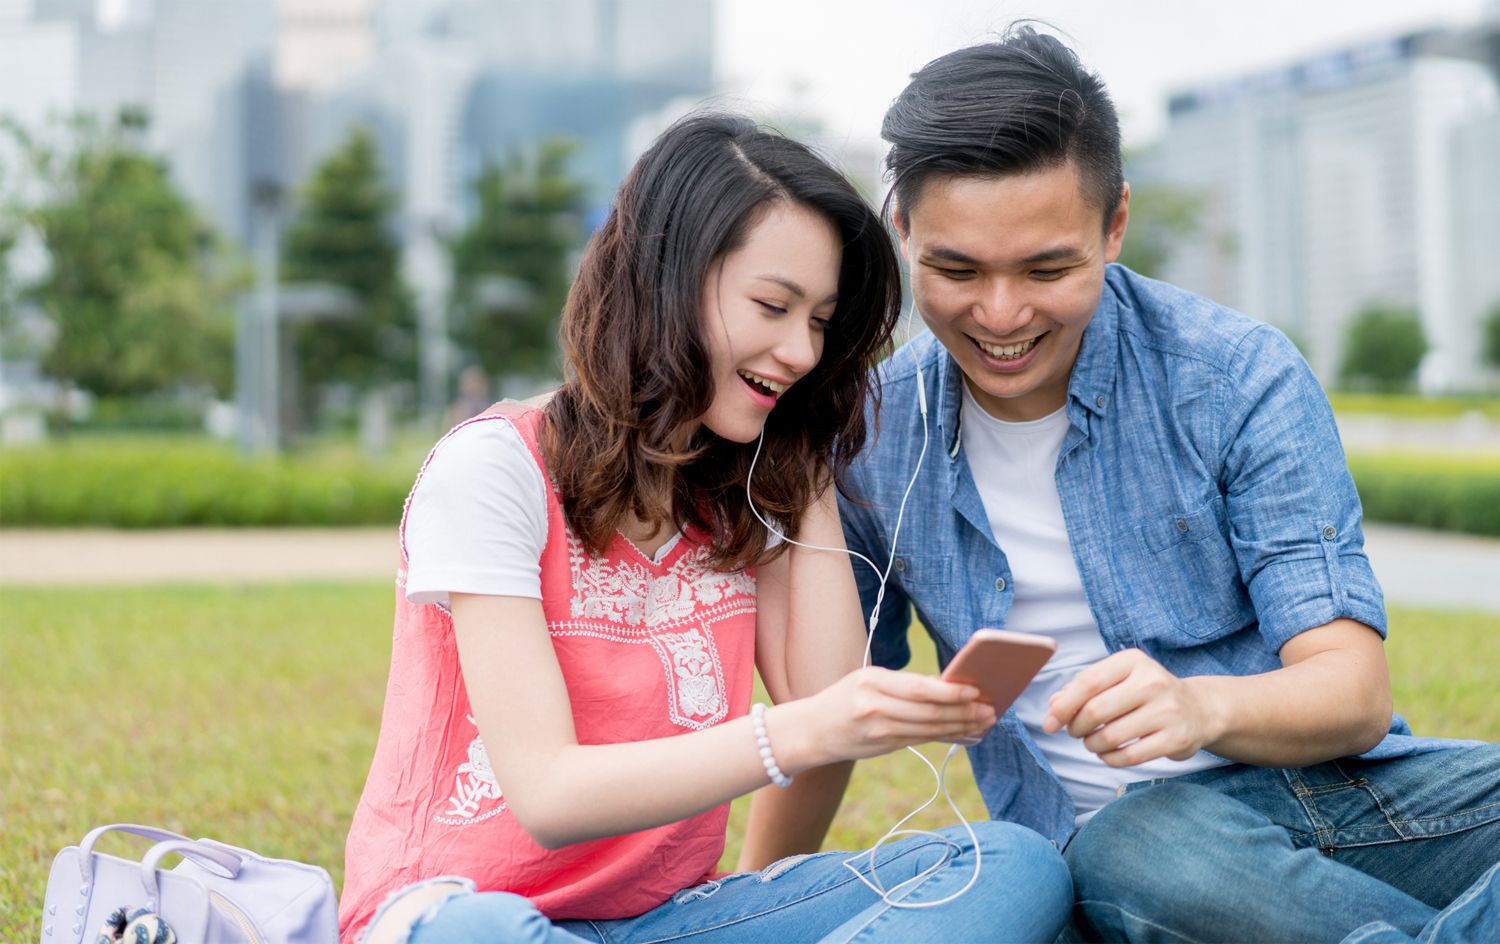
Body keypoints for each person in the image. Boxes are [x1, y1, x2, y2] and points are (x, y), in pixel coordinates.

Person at [751, 25, 1500, 944]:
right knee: (1141, 842)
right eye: (955, 269)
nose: (1000, 315)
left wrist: (1199, 708)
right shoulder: (870, 434)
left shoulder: (1234, 376)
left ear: (1114, 227)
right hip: (1120, 853)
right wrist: (755, 899)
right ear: (902, 230)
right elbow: (827, 714)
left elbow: (1352, 692)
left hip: (1331, 802)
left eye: (1047, 268)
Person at [337, 113, 1072, 944]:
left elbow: (821, 697)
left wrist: (807, 444)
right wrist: (801, 729)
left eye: (821, 323)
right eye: (773, 305)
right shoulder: (494, 470)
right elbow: (547, 795)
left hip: (671, 922)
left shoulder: (747, 488)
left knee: (1010, 866)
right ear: (663, 281)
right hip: (461, 912)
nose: (799, 350)